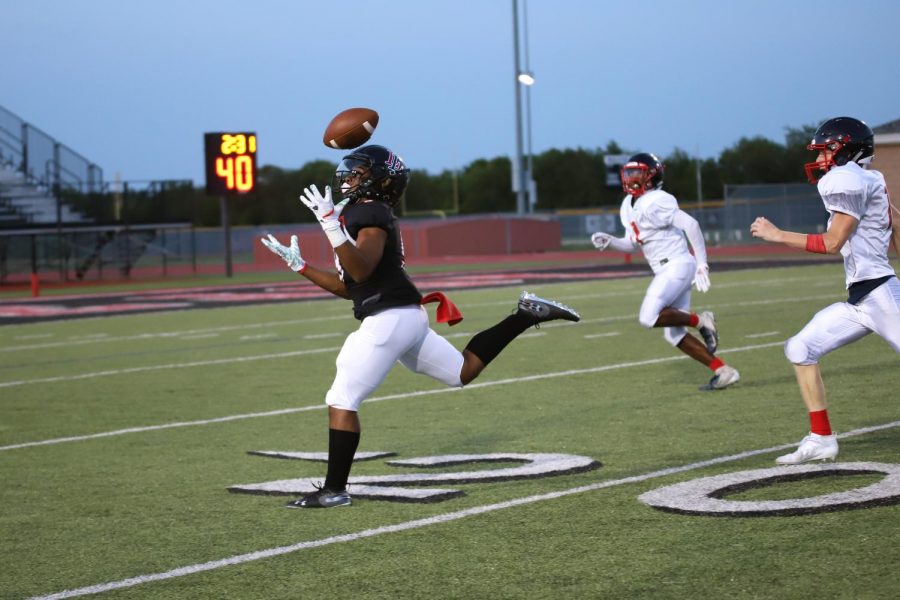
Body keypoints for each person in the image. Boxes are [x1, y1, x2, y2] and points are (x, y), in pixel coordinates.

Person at [261, 144, 581, 508]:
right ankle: (525, 314)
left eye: (358, 173)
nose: (348, 178)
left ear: (379, 181)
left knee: (341, 400)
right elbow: (352, 287)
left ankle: (334, 490)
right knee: (461, 372)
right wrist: (301, 267)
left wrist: (331, 223)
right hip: (404, 315)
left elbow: (362, 268)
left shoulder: (368, 211)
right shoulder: (367, 211)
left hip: (389, 319)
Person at [750, 116, 900, 464]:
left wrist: (778, 235)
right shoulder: (868, 179)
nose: (820, 160)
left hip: (881, 294)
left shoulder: (847, 179)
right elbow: (896, 222)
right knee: (800, 348)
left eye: (827, 150)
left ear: (848, 150)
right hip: (863, 299)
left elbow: (833, 242)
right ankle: (821, 438)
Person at [590, 152, 740, 390]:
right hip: (666, 269)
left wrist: (702, 262)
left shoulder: (657, 199)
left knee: (647, 317)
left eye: (637, 172)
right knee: (673, 335)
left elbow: (691, 224)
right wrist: (610, 241)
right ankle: (723, 371)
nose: (631, 177)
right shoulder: (628, 205)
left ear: (651, 175)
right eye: (629, 172)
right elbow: (632, 244)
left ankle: (701, 320)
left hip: (678, 264)